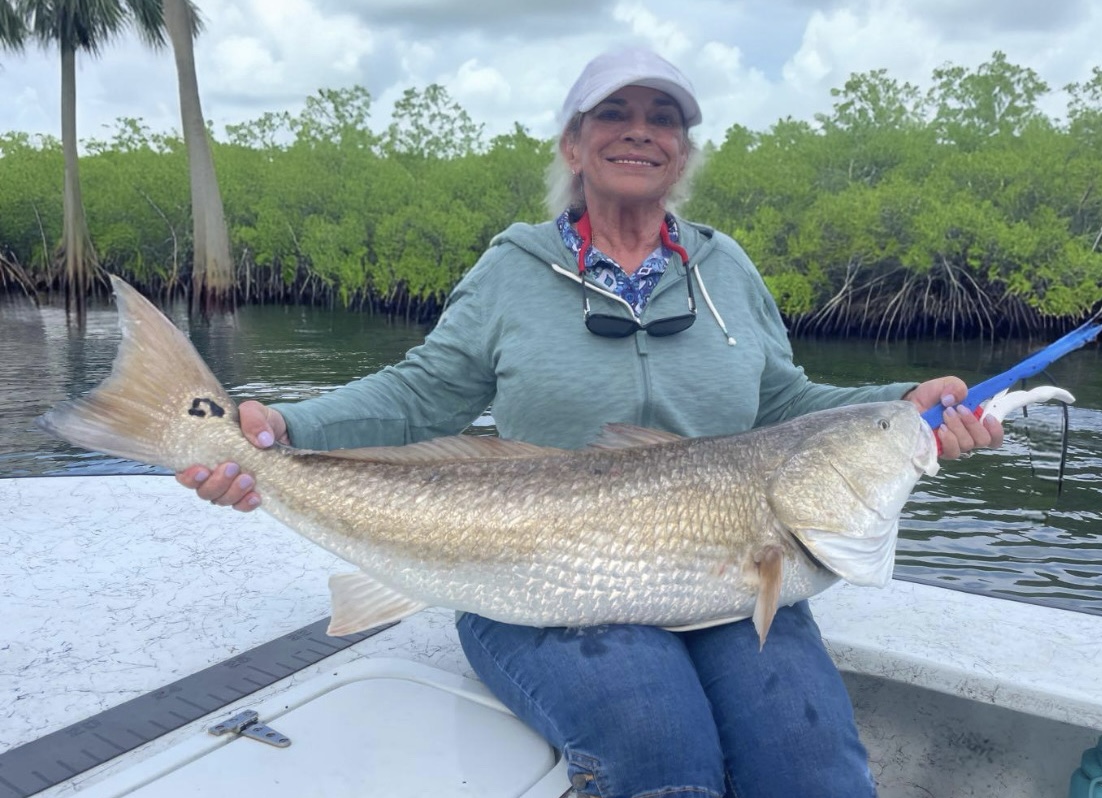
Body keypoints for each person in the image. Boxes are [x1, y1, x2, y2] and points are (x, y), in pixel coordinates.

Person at [178, 48, 1002, 798]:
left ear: (683, 152)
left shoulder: (728, 268)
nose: (640, 132)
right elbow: (422, 394)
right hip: (531, 579)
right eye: (615, 114)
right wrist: (282, 429)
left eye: (664, 118)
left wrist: (906, 407)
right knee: (661, 754)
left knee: (813, 769)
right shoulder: (513, 268)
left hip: (728, 570)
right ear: (574, 145)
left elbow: (782, 403)